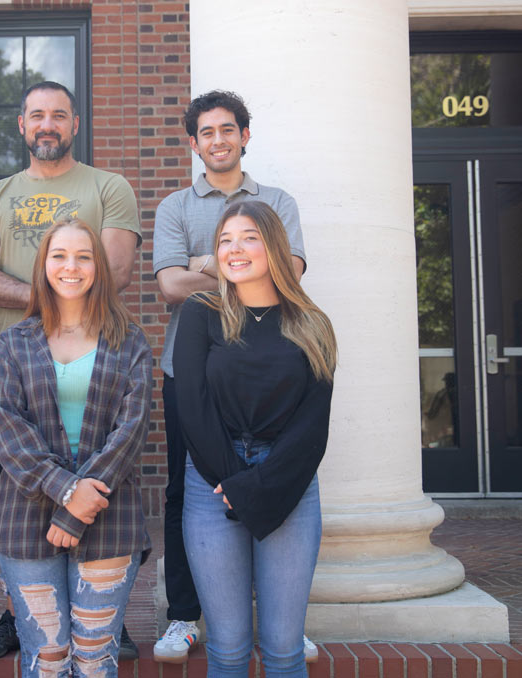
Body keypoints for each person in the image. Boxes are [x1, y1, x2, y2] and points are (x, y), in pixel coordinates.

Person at [0, 81, 141, 660]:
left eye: (58, 116)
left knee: (97, 461)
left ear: (75, 123)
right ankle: (23, 614)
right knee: (24, 489)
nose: (47, 124)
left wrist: (66, 302)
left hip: (98, 359)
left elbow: (113, 273)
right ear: (21, 125)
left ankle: (100, 615)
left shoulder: (108, 187)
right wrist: (52, 304)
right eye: (36, 115)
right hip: (23, 367)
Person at [151, 90, 314, 663]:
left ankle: (280, 614)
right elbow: (168, 286)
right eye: (206, 132)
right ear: (192, 143)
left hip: (271, 373)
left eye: (228, 129)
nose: (218, 140)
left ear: (245, 135)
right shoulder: (175, 206)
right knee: (185, 493)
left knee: (281, 478)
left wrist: (205, 263)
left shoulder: (277, 200)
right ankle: (182, 615)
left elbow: (289, 271)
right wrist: (242, 271)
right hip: (191, 373)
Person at [173, 201, 336, 678]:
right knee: (226, 648)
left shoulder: (312, 323)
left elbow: (313, 425)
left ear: (274, 247)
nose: (234, 249)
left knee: (284, 650)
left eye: (248, 237)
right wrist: (234, 480)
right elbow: (193, 404)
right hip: (211, 482)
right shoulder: (202, 312)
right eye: (224, 240)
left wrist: (261, 484)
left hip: (288, 482)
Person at [0, 218, 151, 678]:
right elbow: (8, 430)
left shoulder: (129, 340)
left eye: (84, 256)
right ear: (43, 266)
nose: (71, 266)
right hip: (26, 518)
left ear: (98, 266)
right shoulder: (13, 344)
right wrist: (64, 491)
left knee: (96, 660)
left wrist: (79, 506)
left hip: (109, 515)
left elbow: (131, 429)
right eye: (59, 255)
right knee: (46, 659)